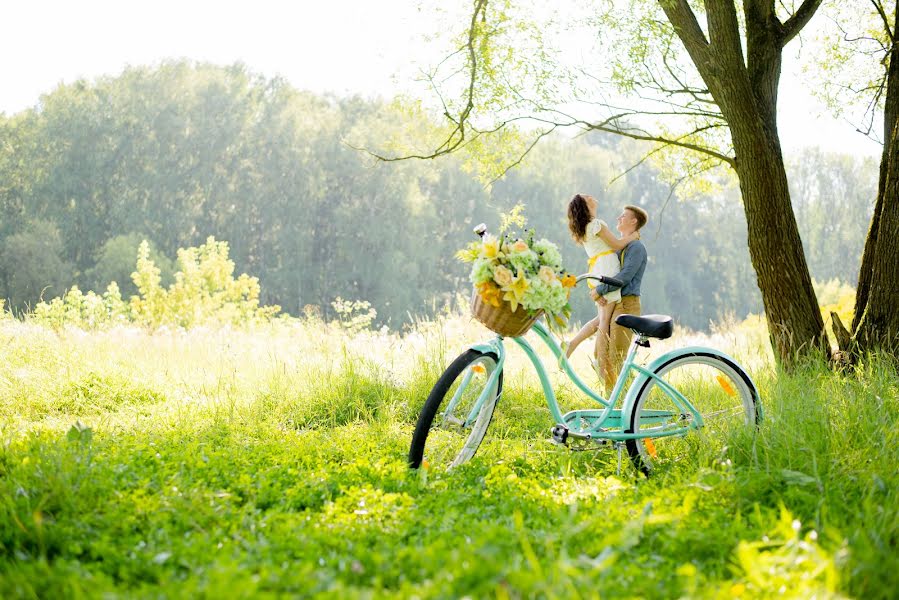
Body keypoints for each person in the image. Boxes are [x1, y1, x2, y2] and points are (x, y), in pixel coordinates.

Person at [562, 194, 640, 370]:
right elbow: (617, 245)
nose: (592, 196)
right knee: (604, 320)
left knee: (600, 318)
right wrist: (633, 236)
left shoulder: (584, 229)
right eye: (587, 197)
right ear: (585, 204)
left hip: (597, 269)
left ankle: (572, 344)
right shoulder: (596, 224)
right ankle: (601, 362)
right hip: (608, 269)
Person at [591, 205, 649, 392]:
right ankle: (611, 398)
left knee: (616, 357)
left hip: (627, 304)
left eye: (623, 216)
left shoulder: (636, 247)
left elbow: (624, 277)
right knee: (601, 354)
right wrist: (600, 293)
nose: (618, 218)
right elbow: (607, 270)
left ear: (634, 221)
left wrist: (601, 289)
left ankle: (626, 399)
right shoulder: (619, 247)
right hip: (614, 303)